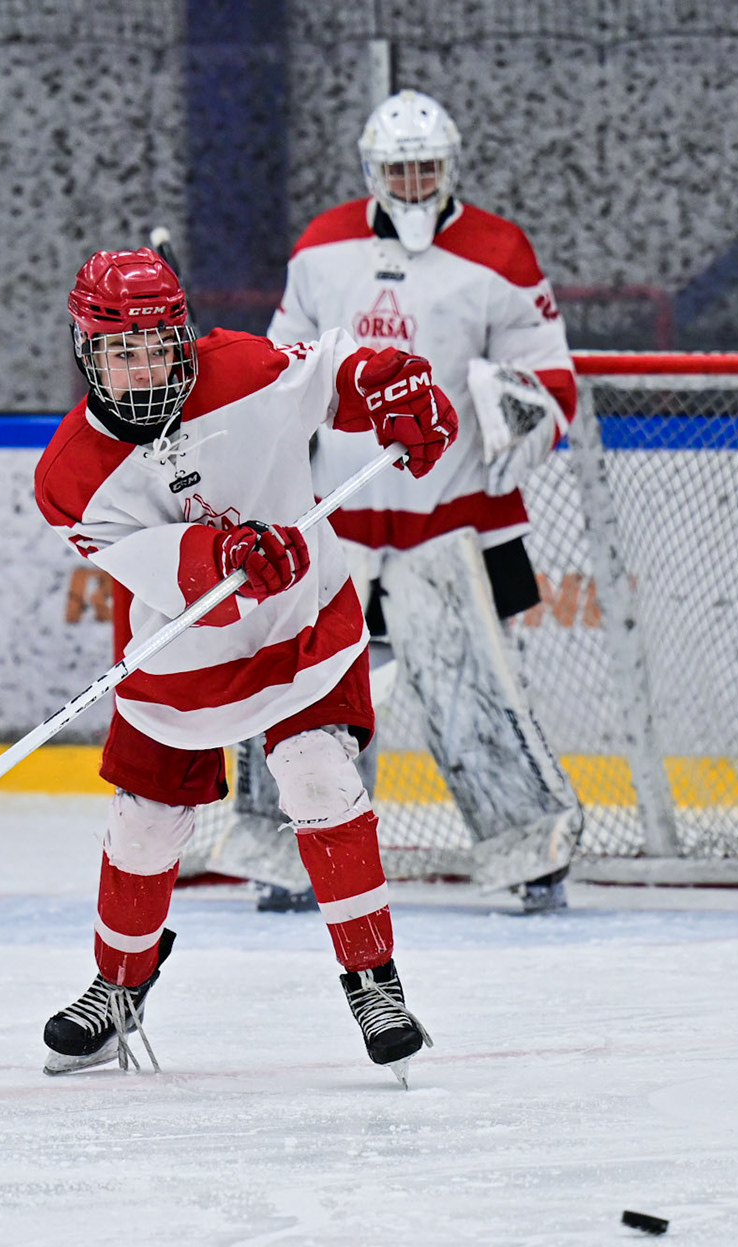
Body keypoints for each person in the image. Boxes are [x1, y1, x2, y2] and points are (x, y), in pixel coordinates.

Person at [31, 247, 455, 1083]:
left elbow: (331, 371)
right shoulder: (69, 476)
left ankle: (375, 984)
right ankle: (119, 987)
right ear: (86, 351)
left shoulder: (244, 368)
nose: (144, 368)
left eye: (158, 345)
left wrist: (387, 386)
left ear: (182, 337)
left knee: (317, 774)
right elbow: (163, 572)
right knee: (145, 823)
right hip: (182, 650)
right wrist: (217, 558)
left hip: (301, 620)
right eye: (121, 351)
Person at [243, 89, 582, 913]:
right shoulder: (322, 247)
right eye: (399, 170)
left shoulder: (499, 250)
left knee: (474, 697)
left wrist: (522, 415)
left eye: (427, 168)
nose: (414, 184)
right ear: (372, 171)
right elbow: (281, 369)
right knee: (310, 689)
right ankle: (291, 853)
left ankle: (530, 854)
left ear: (451, 166)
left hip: (454, 519)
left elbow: (551, 374)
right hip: (337, 523)